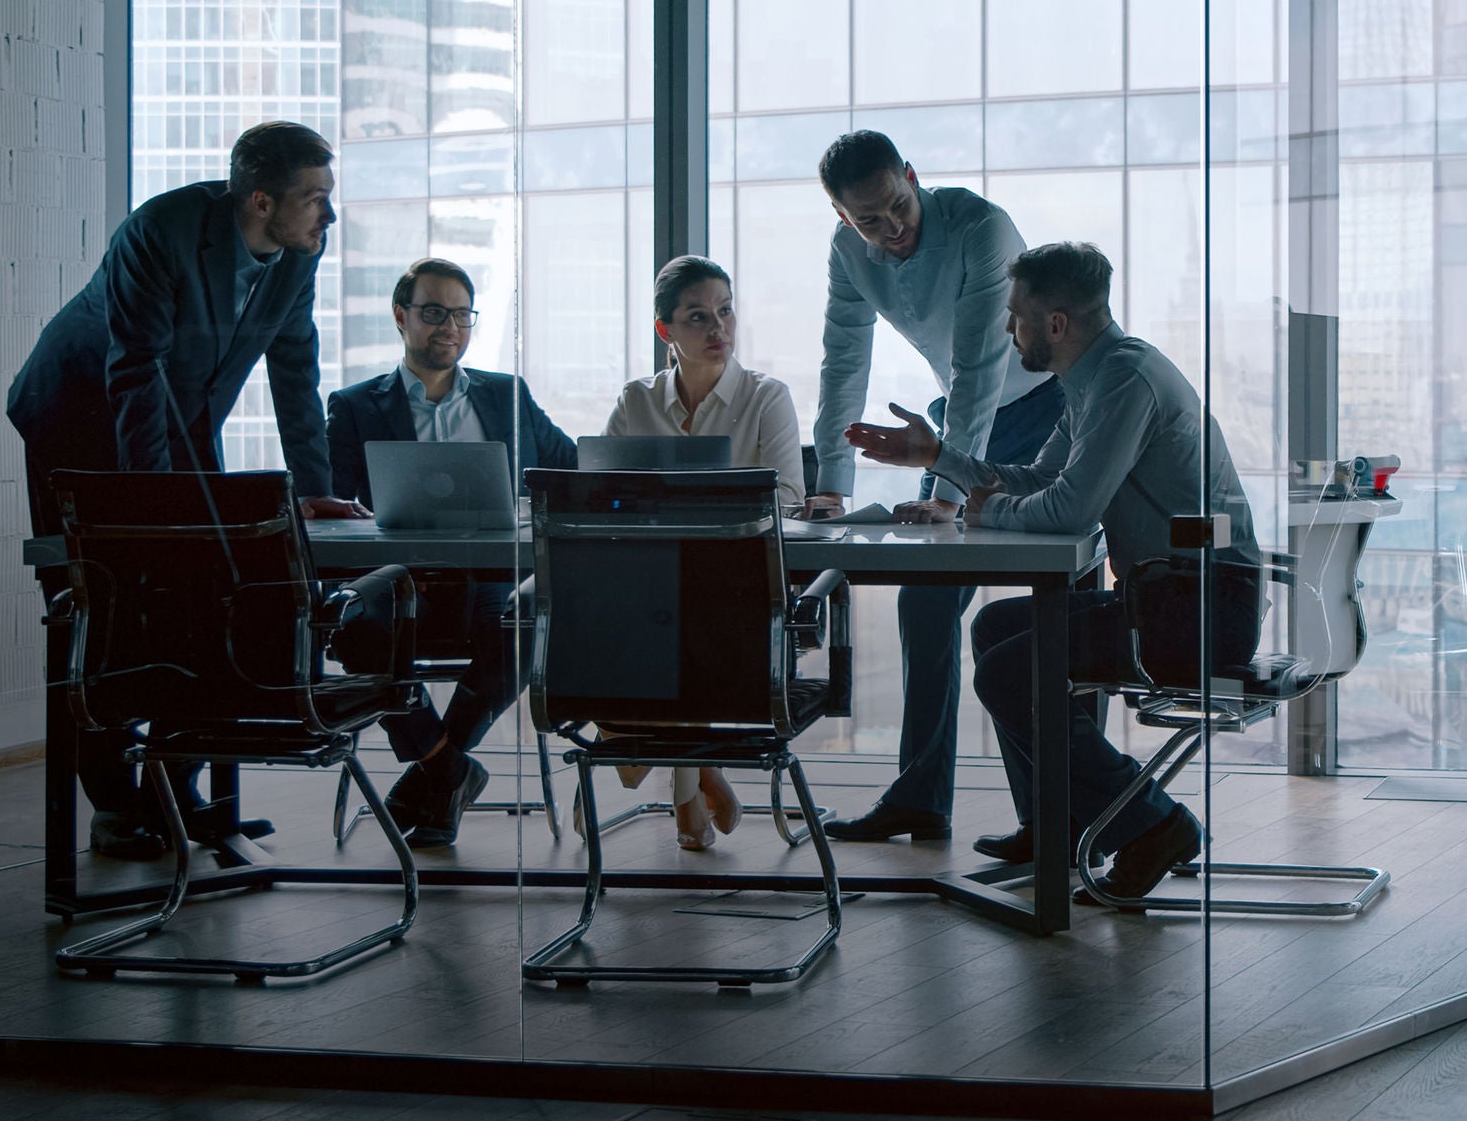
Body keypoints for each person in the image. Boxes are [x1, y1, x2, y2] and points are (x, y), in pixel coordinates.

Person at [846, 242, 1266, 901]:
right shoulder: (1094, 379)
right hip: (1166, 596)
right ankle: (1056, 821)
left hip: (1202, 608)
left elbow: (1071, 509)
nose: (1009, 332)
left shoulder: (1126, 381)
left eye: (1016, 318)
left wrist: (990, 509)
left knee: (1011, 671)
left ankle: (1153, 819)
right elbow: (1042, 479)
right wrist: (941, 457)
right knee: (997, 626)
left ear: (1056, 324)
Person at [8, 121, 366, 860]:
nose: (329, 216)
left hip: (182, 412)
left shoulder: (300, 251)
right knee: (98, 604)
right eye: (315, 199)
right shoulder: (162, 230)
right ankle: (117, 808)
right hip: (77, 413)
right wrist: (159, 513)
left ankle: (170, 787)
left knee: (209, 597)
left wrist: (318, 490)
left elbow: (295, 371)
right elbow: (133, 371)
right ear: (261, 200)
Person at [804, 131, 1065, 843]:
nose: (891, 230)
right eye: (868, 221)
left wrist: (951, 487)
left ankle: (1057, 817)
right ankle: (920, 793)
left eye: (897, 207)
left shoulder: (982, 227)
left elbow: (980, 362)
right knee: (925, 594)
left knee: (1060, 598)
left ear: (914, 177)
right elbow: (842, 361)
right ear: (842, 218)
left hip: (1050, 408)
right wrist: (831, 483)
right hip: (965, 420)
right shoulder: (849, 255)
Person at [325, 256, 578, 847]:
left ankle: (436, 773)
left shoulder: (506, 395)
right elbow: (335, 504)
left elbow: (567, 469)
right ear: (401, 316)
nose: (450, 327)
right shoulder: (356, 405)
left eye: (461, 315)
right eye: (434, 312)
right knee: (355, 634)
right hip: (395, 583)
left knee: (525, 627)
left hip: (487, 579)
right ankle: (448, 772)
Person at [603, 255, 805, 848]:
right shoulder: (635, 402)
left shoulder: (767, 397)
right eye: (698, 317)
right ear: (666, 331)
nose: (719, 328)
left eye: (724, 311)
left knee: (674, 620)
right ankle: (693, 775)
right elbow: (603, 495)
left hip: (737, 588)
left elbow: (787, 498)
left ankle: (660, 767)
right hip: (649, 588)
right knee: (641, 613)